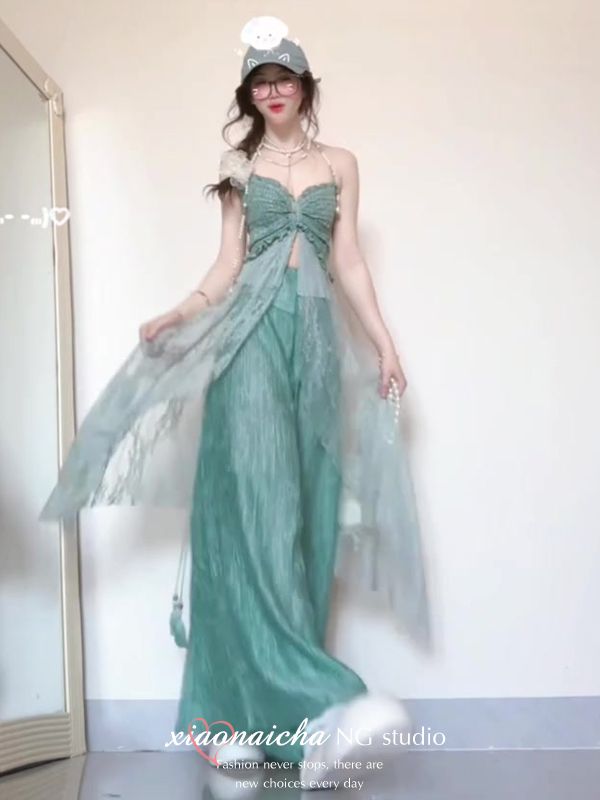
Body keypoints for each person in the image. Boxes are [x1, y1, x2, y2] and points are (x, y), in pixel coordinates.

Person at [39, 17, 430, 785]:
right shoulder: (238, 167)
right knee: (253, 519)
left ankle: (274, 730)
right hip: (248, 339)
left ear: (305, 86)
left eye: (284, 78)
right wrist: (179, 313)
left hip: (316, 349)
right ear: (249, 95)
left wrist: (384, 343)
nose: (273, 90)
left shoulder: (341, 163)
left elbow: (349, 259)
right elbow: (227, 265)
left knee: (306, 522)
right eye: (260, 82)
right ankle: (324, 702)